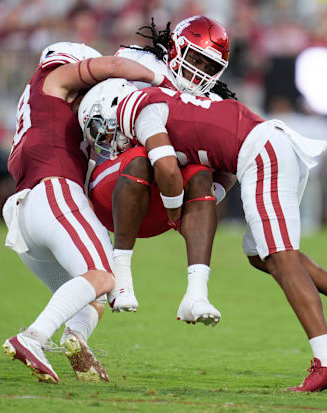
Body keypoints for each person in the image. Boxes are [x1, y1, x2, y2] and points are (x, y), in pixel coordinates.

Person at [79, 80, 327, 392]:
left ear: (111, 108)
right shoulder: (172, 105)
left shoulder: (137, 108)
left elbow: (168, 169)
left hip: (263, 154)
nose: (107, 140)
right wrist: (209, 197)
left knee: (281, 258)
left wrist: (172, 211)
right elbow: (223, 164)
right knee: (258, 253)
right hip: (265, 149)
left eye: (101, 129)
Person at [1, 41, 170, 384]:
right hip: (54, 192)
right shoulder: (51, 78)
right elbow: (112, 66)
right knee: (104, 275)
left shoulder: (41, 107)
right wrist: (160, 80)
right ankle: (33, 337)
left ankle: (76, 341)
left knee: (93, 293)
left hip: (25, 211)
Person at [95, 16, 237, 319]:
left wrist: (214, 195)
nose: (201, 72)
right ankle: (120, 275)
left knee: (200, 175)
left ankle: (197, 294)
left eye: (211, 66)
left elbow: (234, 161)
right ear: (175, 49)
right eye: (197, 59)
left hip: (164, 202)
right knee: (140, 157)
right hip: (113, 183)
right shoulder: (139, 65)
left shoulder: (214, 101)